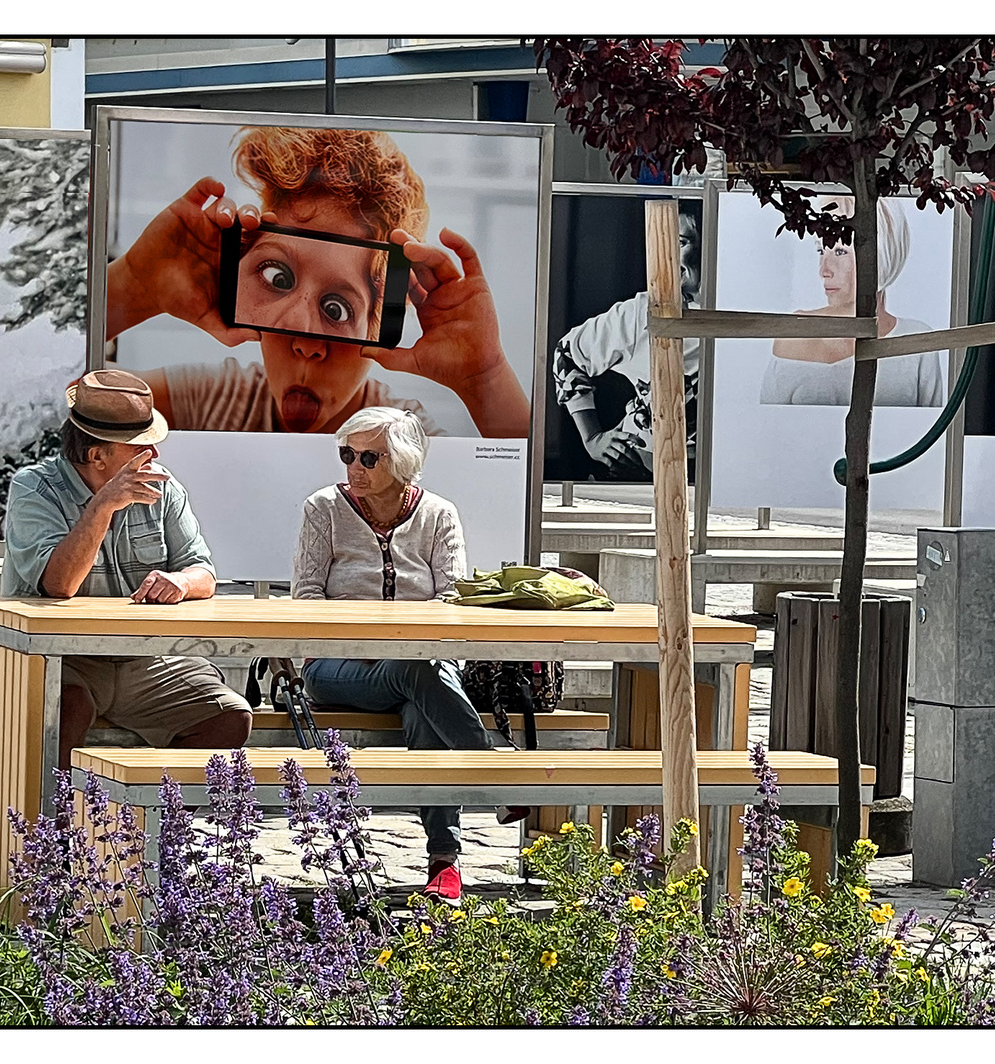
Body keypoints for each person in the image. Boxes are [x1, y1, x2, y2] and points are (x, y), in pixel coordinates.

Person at [104, 126, 530, 438]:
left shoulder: (401, 435)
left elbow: (515, 500)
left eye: (336, 309)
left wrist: (484, 379)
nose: (307, 344)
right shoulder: (217, 398)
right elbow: (57, 404)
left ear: (377, 321)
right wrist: (131, 288)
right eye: (277, 277)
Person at [291, 406, 512, 904]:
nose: (355, 467)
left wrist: (403, 643)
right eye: (347, 454)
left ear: (403, 463)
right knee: (418, 674)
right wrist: (369, 640)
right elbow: (305, 595)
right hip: (336, 668)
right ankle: (495, 780)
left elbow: (453, 596)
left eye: (370, 457)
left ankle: (443, 865)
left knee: (420, 700)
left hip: (422, 663)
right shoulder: (323, 509)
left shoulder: (438, 514)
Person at [1, 369, 253, 768]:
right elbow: (58, 585)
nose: (153, 457)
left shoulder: (164, 487)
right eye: (140, 448)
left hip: (147, 655)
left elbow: (203, 571)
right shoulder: (34, 488)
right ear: (96, 455)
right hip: (64, 657)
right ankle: (56, 826)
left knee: (229, 718)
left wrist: (180, 583)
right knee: (63, 710)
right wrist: (102, 506)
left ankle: (154, 819)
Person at [550, 209, 703, 479]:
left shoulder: (746, 312)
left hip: (726, 479)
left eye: (681, 242)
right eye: (663, 243)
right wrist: (593, 439)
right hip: (638, 477)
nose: (667, 255)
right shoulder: (641, 313)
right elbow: (568, 354)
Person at [760, 196, 944, 407]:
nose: (824, 271)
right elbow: (767, 428)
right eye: (821, 251)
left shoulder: (918, 343)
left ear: (882, 251)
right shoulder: (792, 335)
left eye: (840, 251)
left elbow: (937, 432)